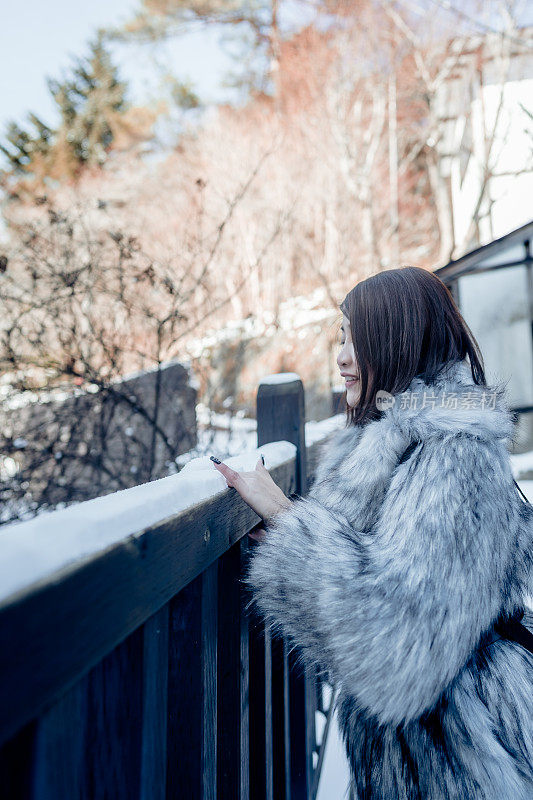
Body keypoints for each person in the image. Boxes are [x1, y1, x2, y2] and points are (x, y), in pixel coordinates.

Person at [211, 266, 533, 800]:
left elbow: (400, 641)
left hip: (464, 759)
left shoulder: (452, 455)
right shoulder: (401, 445)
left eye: (354, 337)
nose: (341, 356)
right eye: (340, 337)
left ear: (398, 339)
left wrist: (291, 526)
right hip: (429, 754)